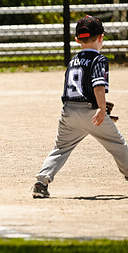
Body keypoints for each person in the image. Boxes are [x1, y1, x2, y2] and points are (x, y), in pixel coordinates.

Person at [32, 15, 128, 198]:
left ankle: (41, 181)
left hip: (68, 112)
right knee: (117, 144)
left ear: (77, 40)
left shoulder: (73, 61)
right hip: (91, 111)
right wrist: (101, 108)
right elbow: (98, 85)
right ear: (101, 38)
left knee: (61, 148)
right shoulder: (98, 60)